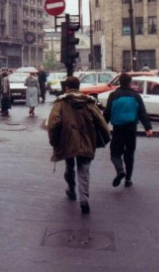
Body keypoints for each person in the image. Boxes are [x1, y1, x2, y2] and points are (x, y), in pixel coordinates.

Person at [47, 76, 110, 215]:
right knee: (84, 170)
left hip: (67, 140)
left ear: (67, 88)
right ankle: (84, 200)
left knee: (70, 166)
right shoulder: (88, 102)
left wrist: (54, 141)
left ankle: (71, 188)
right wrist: (104, 139)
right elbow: (101, 122)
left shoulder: (61, 103)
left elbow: (53, 124)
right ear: (79, 86)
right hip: (86, 139)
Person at [102, 73, 153, 189]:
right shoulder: (136, 96)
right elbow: (142, 113)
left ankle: (120, 170)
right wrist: (148, 128)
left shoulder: (113, 95)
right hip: (131, 128)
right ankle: (128, 179)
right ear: (130, 82)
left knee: (115, 153)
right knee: (129, 154)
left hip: (118, 129)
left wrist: (102, 126)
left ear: (119, 82)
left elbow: (107, 113)